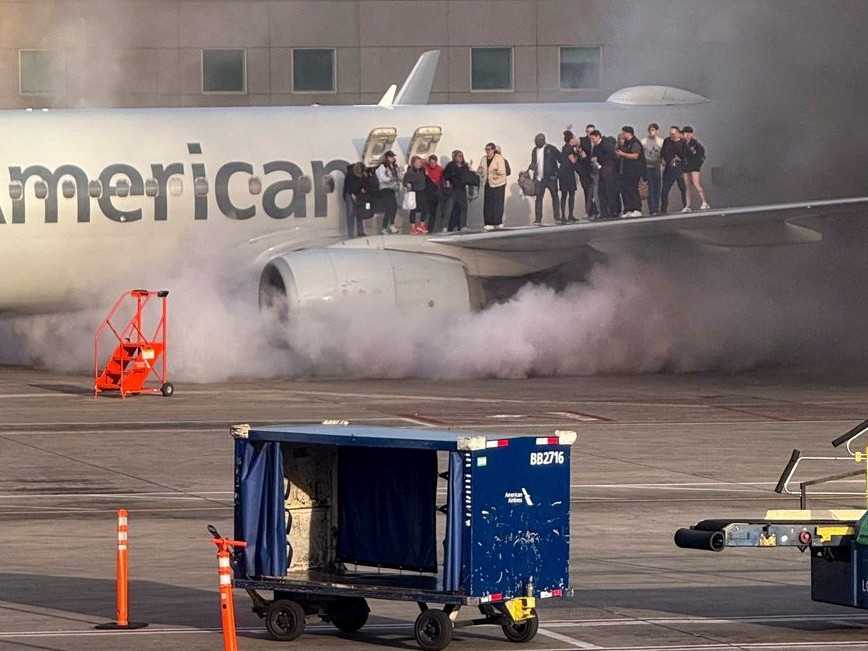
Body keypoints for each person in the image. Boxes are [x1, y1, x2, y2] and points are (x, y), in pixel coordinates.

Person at [527, 133, 561, 225]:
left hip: (551, 178)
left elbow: (561, 159)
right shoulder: (534, 150)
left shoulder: (551, 148)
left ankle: (557, 217)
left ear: (543, 140)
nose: (536, 143)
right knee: (538, 198)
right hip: (539, 179)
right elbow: (534, 162)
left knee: (555, 196)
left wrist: (556, 173)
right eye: (535, 141)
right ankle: (538, 219)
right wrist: (530, 169)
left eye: (538, 141)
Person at [477, 142, 508, 230]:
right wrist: (479, 172)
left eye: (489, 149)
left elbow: (502, 171)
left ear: (493, 150)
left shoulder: (499, 158)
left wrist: (493, 172)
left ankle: (498, 222)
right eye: (486, 149)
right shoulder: (483, 159)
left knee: (498, 204)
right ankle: (488, 222)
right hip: (488, 183)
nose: (487, 151)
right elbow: (480, 169)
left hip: (498, 183)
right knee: (488, 204)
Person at [589, 129, 619, 219]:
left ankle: (613, 212)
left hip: (609, 172)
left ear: (598, 136)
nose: (592, 140)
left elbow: (611, 158)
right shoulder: (595, 147)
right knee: (601, 193)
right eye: (591, 139)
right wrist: (594, 161)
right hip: (600, 172)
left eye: (593, 138)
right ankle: (604, 213)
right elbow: (594, 157)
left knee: (610, 192)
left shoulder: (607, 145)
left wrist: (600, 162)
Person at [616, 126, 644, 217]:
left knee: (633, 189)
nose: (623, 135)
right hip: (625, 171)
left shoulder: (635, 142)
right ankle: (628, 209)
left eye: (624, 133)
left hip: (634, 171)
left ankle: (637, 209)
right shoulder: (626, 143)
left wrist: (622, 154)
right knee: (626, 190)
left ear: (629, 133)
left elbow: (635, 156)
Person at [681, 126, 710, 211]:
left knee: (696, 183)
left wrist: (698, 164)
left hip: (694, 166)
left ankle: (704, 202)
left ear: (691, 134)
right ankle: (688, 205)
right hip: (685, 166)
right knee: (686, 186)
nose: (686, 135)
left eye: (688, 133)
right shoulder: (682, 143)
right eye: (685, 133)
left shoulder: (696, 144)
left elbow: (702, 155)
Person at [660, 126, 687, 214]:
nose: (671, 135)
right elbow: (663, 152)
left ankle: (686, 206)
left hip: (679, 169)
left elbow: (686, 155)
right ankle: (663, 209)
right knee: (664, 190)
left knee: (683, 188)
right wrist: (663, 160)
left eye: (673, 134)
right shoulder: (667, 141)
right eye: (670, 134)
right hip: (669, 169)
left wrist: (681, 160)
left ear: (678, 133)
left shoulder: (683, 142)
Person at [443, 150, 471, 232]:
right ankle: (445, 226)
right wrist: (448, 183)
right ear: (454, 157)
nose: (460, 157)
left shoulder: (465, 166)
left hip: (462, 189)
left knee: (463, 208)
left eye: (461, 156)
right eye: (458, 156)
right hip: (453, 189)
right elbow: (446, 175)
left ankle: (463, 225)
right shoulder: (450, 165)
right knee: (449, 208)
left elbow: (468, 176)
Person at [375, 150, 401, 233]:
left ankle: (391, 225)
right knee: (389, 208)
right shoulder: (382, 167)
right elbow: (382, 178)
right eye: (391, 157)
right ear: (387, 157)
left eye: (393, 156)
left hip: (392, 189)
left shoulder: (394, 166)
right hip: (385, 189)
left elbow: (398, 176)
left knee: (394, 207)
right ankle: (384, 227)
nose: (393, 158)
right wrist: (390, 179)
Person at [641, 123, 664, 215]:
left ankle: (656, 208)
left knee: (657, 188)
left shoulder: (660, 141)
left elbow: (663, 154)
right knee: (650, 188)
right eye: (650, 130)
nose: (652, 132)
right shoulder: (643, 141)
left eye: (653, 130)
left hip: (657, 166)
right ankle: (652, 209)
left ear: (657, 131)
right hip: (647, 167)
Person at [402, 155, 428, 234]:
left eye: (419, 162)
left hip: (422, 191)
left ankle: (421, 225)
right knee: (413, 209)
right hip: (414, 192)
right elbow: (405, 182)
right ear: (413, 163)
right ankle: (413, 228)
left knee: (424, 208)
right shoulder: (410, 172)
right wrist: (407, 185)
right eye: (417, 162)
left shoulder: (422, 170)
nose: (419, 164)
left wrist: (423, 161)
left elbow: (425, 163)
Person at [343, 162, 368, 237]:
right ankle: (350, 233)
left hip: (358, 194)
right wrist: (353, 196)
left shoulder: (363, 174)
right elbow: (348, 187)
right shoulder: (350, 174)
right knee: (350, 213)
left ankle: (360, 232)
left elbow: (364, 185)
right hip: (349, 194)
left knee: (359, 212)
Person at [559, 130, 579, 222]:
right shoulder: (569, 148)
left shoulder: (564, 147)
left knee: (564, 195)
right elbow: (573, 161)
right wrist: (577, 154)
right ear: (571, 139)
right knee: (570, 194)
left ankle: (564, 215)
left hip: (563, 173)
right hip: (568, 173)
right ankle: (569, 215)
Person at [577, 124, 596, 218]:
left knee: (596, 192)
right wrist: (580, 152)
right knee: (587, 191)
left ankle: (596, 211)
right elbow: (577, 150)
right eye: (588, 132)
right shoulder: (582, 140)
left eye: (592, 132)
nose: (590, 134)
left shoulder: (597, 141)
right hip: (585, 172)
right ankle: (589, 212)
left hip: (596, 171)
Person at [424, 154, 445, 232]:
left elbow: (442, 180)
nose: (432, 164)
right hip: (428, 192)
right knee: (427, 211)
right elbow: (422, 161)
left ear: (436, 162)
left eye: (434, 162)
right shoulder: (426, 167)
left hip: (436, 192)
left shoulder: (440, 169)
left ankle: (430, 229)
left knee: (433, 212)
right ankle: (424, 227)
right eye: (431, 162)